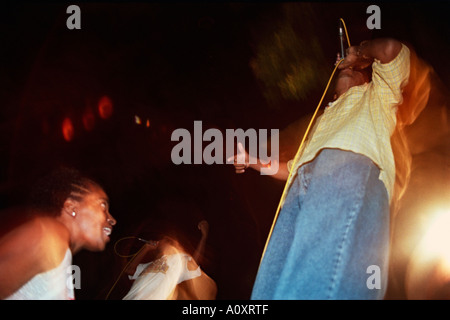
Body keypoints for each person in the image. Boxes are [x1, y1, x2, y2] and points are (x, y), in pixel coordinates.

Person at [231, 37, 429, 299]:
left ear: (366, 77)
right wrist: (251, 160)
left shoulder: (379, 95)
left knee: (317, 276)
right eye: (343, 68)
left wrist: (359, 54)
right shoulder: (323, 119)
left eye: (352, 69)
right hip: (300, 191)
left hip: (350, 170)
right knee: (272, 286)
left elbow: (391, 50)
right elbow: (290, 168)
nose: (344, 68)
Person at [0, 167, 117, 300]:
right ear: (71, 207)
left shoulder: (59, 252)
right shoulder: (51, 234)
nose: (112, 219)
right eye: (102, 205)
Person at [121, 220, 217, 300]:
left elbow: (195, 261)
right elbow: (129, 269)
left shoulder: (178, 259)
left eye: (165, 239)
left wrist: (204, 237)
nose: (160, 241)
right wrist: (145, 248)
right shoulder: (148, 265)